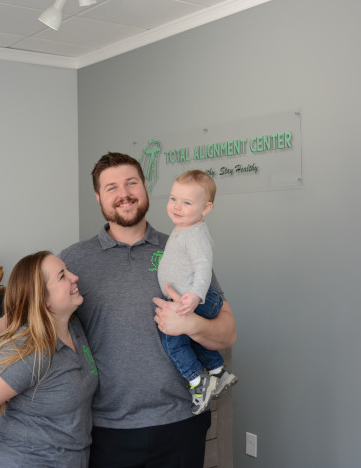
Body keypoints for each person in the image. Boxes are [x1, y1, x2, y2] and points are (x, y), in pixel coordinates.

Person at [60, 152, 237, 468]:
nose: (124, 194)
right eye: (111, 187)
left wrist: (189, 325)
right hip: (108, 429)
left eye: (131, 183)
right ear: (98, 196)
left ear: (144, 187)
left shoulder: (184, 245)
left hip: (181, 421)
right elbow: (28, 317)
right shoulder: (73, 262)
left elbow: (228, 332)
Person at [0, 251, 98, 468]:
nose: (74, 277)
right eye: (62, 276)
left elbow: (14, 314)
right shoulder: (31, 351)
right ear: (43, 299)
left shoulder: (72, 327)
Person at [157, 170, 238, 415]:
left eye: (187, 202)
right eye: (173, 199)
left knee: (171, 340)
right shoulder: (184, 228)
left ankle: (197, 380)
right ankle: (217, 372)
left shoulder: (196, 234)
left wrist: (194, 296)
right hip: (191, 298)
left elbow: (204, 267)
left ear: (206, 208)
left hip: (200, 299)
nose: (177, 207)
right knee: (193, 338)